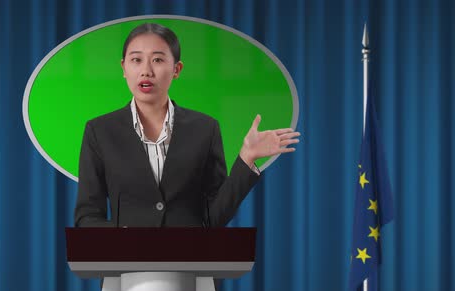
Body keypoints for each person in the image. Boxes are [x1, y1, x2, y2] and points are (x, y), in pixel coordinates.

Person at [74, 23, 299, 228]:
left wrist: (246, 158)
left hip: (192, 267)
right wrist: (129, 238)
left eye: (158, 60)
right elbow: (87, 218)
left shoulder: (205, 129)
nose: (146, 71)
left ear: (177, 69)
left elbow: (213, 217)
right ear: (124, 68)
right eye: (136, 60)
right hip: (126, 268)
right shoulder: (100, 131)